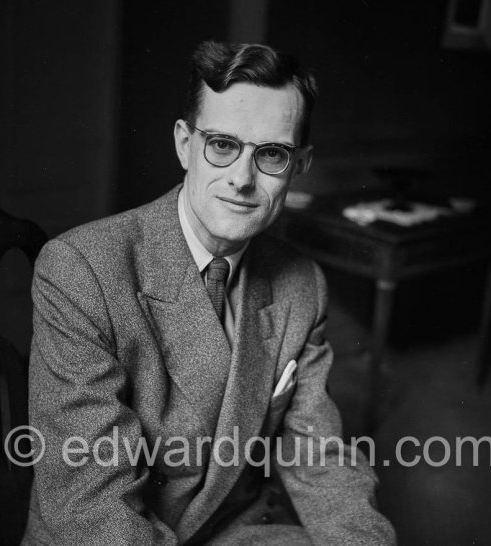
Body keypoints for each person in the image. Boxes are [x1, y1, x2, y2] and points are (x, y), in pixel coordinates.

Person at [23, 41, 395, 545]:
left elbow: (319, 457)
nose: (241, 179)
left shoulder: (302, 284)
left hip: (230, 529)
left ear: (300, 164)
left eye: (271, 155)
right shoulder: (80, 271)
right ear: (184, 144)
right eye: (222, 144)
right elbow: (91, 506)